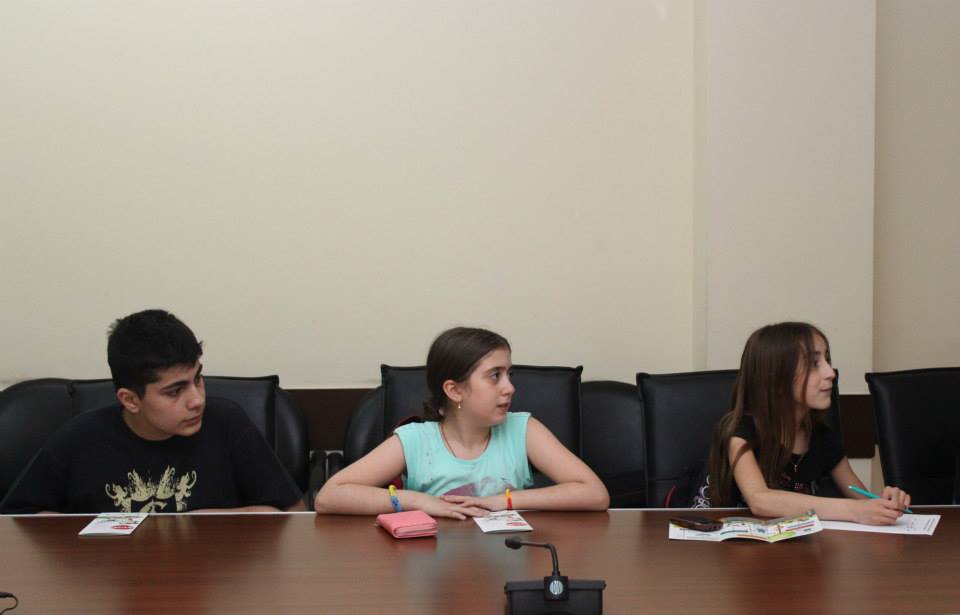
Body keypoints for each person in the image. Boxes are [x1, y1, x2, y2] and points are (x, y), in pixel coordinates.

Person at [0, 309, 305, 514]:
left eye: (198, 379)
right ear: (130, 400)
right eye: (175, 391)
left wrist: (205, 521)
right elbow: (18, 522)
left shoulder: (227, 423)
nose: (196, 400)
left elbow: (293, 514)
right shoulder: (80, 438)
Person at [314, 327, 609, 518]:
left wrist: (505, 501)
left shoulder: (523, 430)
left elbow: (595, 494)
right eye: (495, 376)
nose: (509, 388)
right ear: (454, 390)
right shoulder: (416, 440)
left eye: (509, 375)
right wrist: (417, 501)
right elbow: (329, 497)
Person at [692, 322, 910, 525]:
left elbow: (861, 499)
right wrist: (854, 510)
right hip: (717, 542)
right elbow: (760, 500)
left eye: (827, 360)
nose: (830, 373)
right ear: (777, 379)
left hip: (788, 546)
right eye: (814, 364)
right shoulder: (740, 430)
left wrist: (885, 504)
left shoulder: (822, 436)